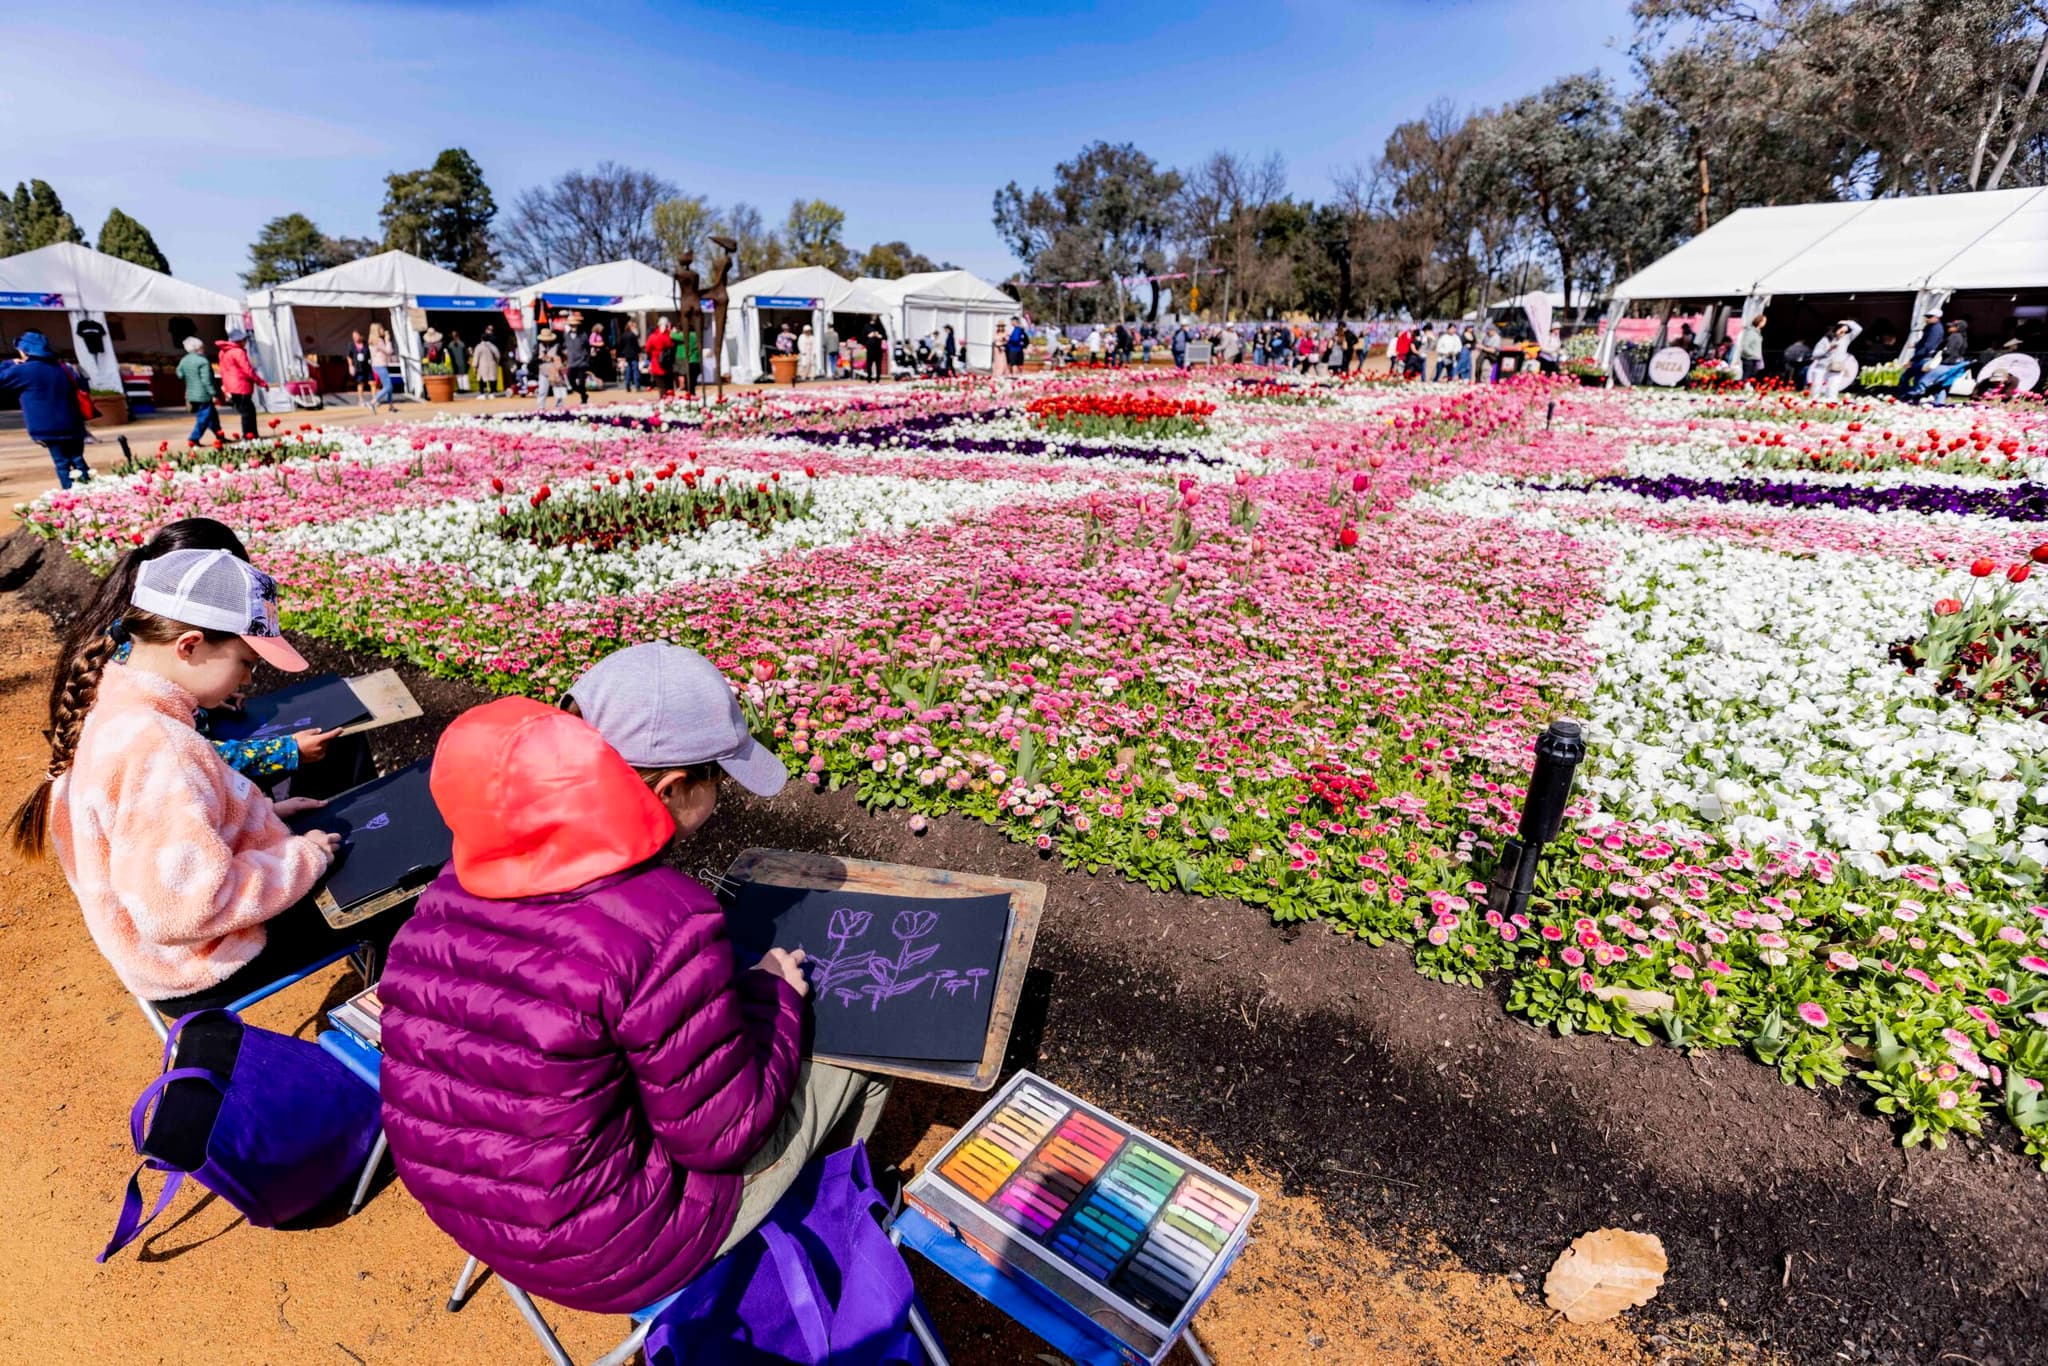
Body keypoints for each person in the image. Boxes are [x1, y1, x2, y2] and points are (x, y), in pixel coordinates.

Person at [377, 643, 888, 1316]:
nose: (721, 796)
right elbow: (720, 1135)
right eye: (717, 778)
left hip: (461, 1203)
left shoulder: (463, 874)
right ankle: (827, 1254)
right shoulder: (667, 918)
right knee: (861, 1063)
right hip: (608, 1249)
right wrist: (776, 998)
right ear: (672, 788)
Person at [8, 547, 407, 1015]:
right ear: (190, 646)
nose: (248, 679)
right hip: (205, 963)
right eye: (246, 662)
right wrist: (302, 858)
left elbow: (159, 834)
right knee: (398, 888)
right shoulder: (163, 748)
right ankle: (398, 1026)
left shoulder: (115, 707)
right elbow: (179, 913)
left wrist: (262, 813)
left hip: (163, 954)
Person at [0, 330, 93, 488]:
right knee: (78, 460)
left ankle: (72, 496)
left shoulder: (22, 371)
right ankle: (90, 493)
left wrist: (7, 364)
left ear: (25, 351)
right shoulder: (64, 368)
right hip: (73, 423)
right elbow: (83, 386)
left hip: (46, 427)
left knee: (62, 463)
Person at [175, 335, 226, 444]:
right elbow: (206, 380)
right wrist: (213, 393)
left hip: (191, 393)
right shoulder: (203, 361)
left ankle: (220, 435)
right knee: (204, 417)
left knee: (212, 416)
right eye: (202, 346)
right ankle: (194, 438)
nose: (204, 348)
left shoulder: (184, 360)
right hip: (203, 394)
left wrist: (190, 377)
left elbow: (179, 374)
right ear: (198, 348)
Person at [216, 328, 264, 439]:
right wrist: (260, 382)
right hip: (241, 385)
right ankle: (248, 435)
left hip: (232, 386)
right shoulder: (238, 352)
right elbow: (248, 370)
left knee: (246, 410)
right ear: (240, 340)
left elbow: (222, 370)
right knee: (248, 412)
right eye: (245, 340)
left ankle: (251, 435)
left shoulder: (223, 352)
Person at [1808, 320, 1863, 397]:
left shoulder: (1846, 339)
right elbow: (1815, 354)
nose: (1843, 334)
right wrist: (1828, 350)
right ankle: (1814, 400)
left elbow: (1858, 329)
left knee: (1833, 387)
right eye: (1841, 331)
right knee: (1816, 387)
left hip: (1836, 366)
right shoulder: (1825, 340)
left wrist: (1847, 322)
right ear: (1836, 329)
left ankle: (1830, 400)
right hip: (1822, 366)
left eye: (1845, 332)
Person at [1898, 308, 1946, 397]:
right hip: (1922, 356)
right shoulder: (1930, 327)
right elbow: (1924, 342)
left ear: (1937, 317)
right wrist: (1916, 345)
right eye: (1927, 316)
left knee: (1916, 379)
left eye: (1930, 317)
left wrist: (1914, 359)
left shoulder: (1935, 329)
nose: (1927, 319)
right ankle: (1909, 395)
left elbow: (1928, 346)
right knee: (1909, 377)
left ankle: (1913, 396)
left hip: (1924, 357)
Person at [534, 328, 568, 411]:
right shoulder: (538, 346)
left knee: (558, 388)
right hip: (543, 371)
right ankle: (541, 407)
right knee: (542, 390)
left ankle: (559, 406)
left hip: (555, 371)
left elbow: (563, 357)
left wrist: (555, 359)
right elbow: (533, 360)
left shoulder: (557, 346)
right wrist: (539, 358)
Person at [368, 322, 397, 412]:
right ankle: (373, 401)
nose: (383, 330)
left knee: (388, 386)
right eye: (381, 328)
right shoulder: (378, 341)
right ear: (377, 330)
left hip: (377, 365)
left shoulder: (372, 341)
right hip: (380, 365)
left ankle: (391, 406)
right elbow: (389, 351)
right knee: (388, 386)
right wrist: (387, 340)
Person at [344, 329, 374, 407]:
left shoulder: (365, 344)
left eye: (356, 336)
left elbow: (369, 354)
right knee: (360, 383)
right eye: (353, 336)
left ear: (360, 336)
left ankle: (374, 399)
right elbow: (349, 356)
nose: (354, 338)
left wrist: (371, 361)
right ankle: (361, 400)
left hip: (367, 366)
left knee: (372, 382)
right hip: (358, 367)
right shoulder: (351, 345)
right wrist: (350, 366)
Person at [564, 322, 592, 404]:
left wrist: (587, 358)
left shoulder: (583, 335)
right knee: (570, 381)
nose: (574, 328)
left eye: (575, 326)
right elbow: (564, 346)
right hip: (571, 362)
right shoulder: (566, 336)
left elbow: (588, 347)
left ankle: (583, 399)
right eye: (572, 326)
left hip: (582, 362)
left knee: (581, 382)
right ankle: (583, 394)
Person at [472, 330, 503, 400]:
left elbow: (476, 357)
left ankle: (483, 393)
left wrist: (475, 366)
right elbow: (498, 355)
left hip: (482, 366)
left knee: (481, 379)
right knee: (492, 379)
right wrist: (496, 362)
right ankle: (492, 393)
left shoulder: (479, 347)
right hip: (492, 364)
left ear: (481, 338)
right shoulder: (492, 346)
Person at [646, 318, 672, 397]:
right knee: (667, 384)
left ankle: (663, 397)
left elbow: (647, 349)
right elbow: (671, 346)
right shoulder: (668, 336)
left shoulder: (652, 336)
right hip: (666, 362)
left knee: (660, 384)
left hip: (656, 361)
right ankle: (666, 397)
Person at [1737, 313, 1766, 383]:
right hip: (1749, 358)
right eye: (1764, 321)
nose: (1765, 323)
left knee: (1751, 376)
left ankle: (1744, 387)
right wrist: (1752, 354)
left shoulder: (1757, 332)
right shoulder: (1751, 332)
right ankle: (1739, 387)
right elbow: (1745, 346)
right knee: (1746, 375)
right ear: (1760, 322)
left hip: (1754, 358)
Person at [620, 320, 642, 392]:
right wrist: (639, 353)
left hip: (627, 355)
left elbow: (621, 346)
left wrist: (622, 355)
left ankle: (627, 386)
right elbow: (636, 346)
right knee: (635, 370)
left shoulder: (623, 335)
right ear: (631, 326)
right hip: (634, 354)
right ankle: (637, 386)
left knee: (628, 370)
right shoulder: (633, 335)